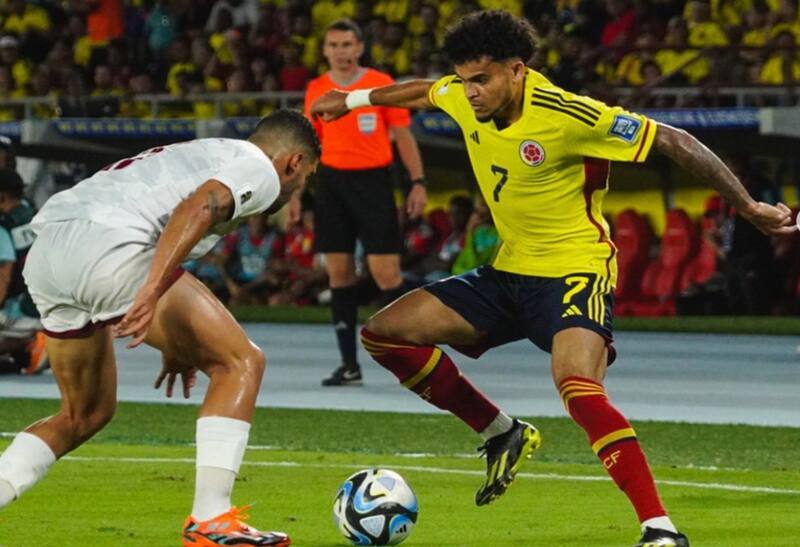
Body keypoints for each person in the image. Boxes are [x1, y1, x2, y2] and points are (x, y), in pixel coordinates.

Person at [311, 10, 794, 547]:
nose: (468, 92)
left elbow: (674, 141)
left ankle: (659, 528)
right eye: (465, 79)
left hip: (574, 269)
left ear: (517, 70)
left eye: (482, 80)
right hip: (508, 272)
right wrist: (351, 101)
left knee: (577, 385)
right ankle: (501, 432)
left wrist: (748, 206)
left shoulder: (570, 115)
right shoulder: (461, 94)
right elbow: (426, 91)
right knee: (383, 333)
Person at [0, 109, 320, 547]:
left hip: (49, 255)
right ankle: (211, 519)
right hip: (110, 248)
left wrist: (178, 341)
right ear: (294, 163)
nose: (298, 190)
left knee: (84, 413)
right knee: (240, 362)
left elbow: (176, 218)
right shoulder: (260, 170)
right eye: (305, 179)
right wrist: (151, 287)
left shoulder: (204, 152)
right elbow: (199, 206)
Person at [303, 18, 427, 387]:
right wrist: (294, 192)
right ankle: (349, 364)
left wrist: (417, 182)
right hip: (331, 184)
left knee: (386, 274)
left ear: (359, 48)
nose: (341, 52)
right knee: (338, 274)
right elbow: (309, 144)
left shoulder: (380, 84)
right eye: (333, 45)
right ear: (325, 51)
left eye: (347, 45)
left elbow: (402, 135)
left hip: (373, 182)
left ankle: (425, 337)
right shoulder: (317, 89)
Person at [0, 168, 47, 375]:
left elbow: (3, 278)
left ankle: (32, 344)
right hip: (51, 306)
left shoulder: (5, 224)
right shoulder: (33, 216)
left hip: (25, 309)